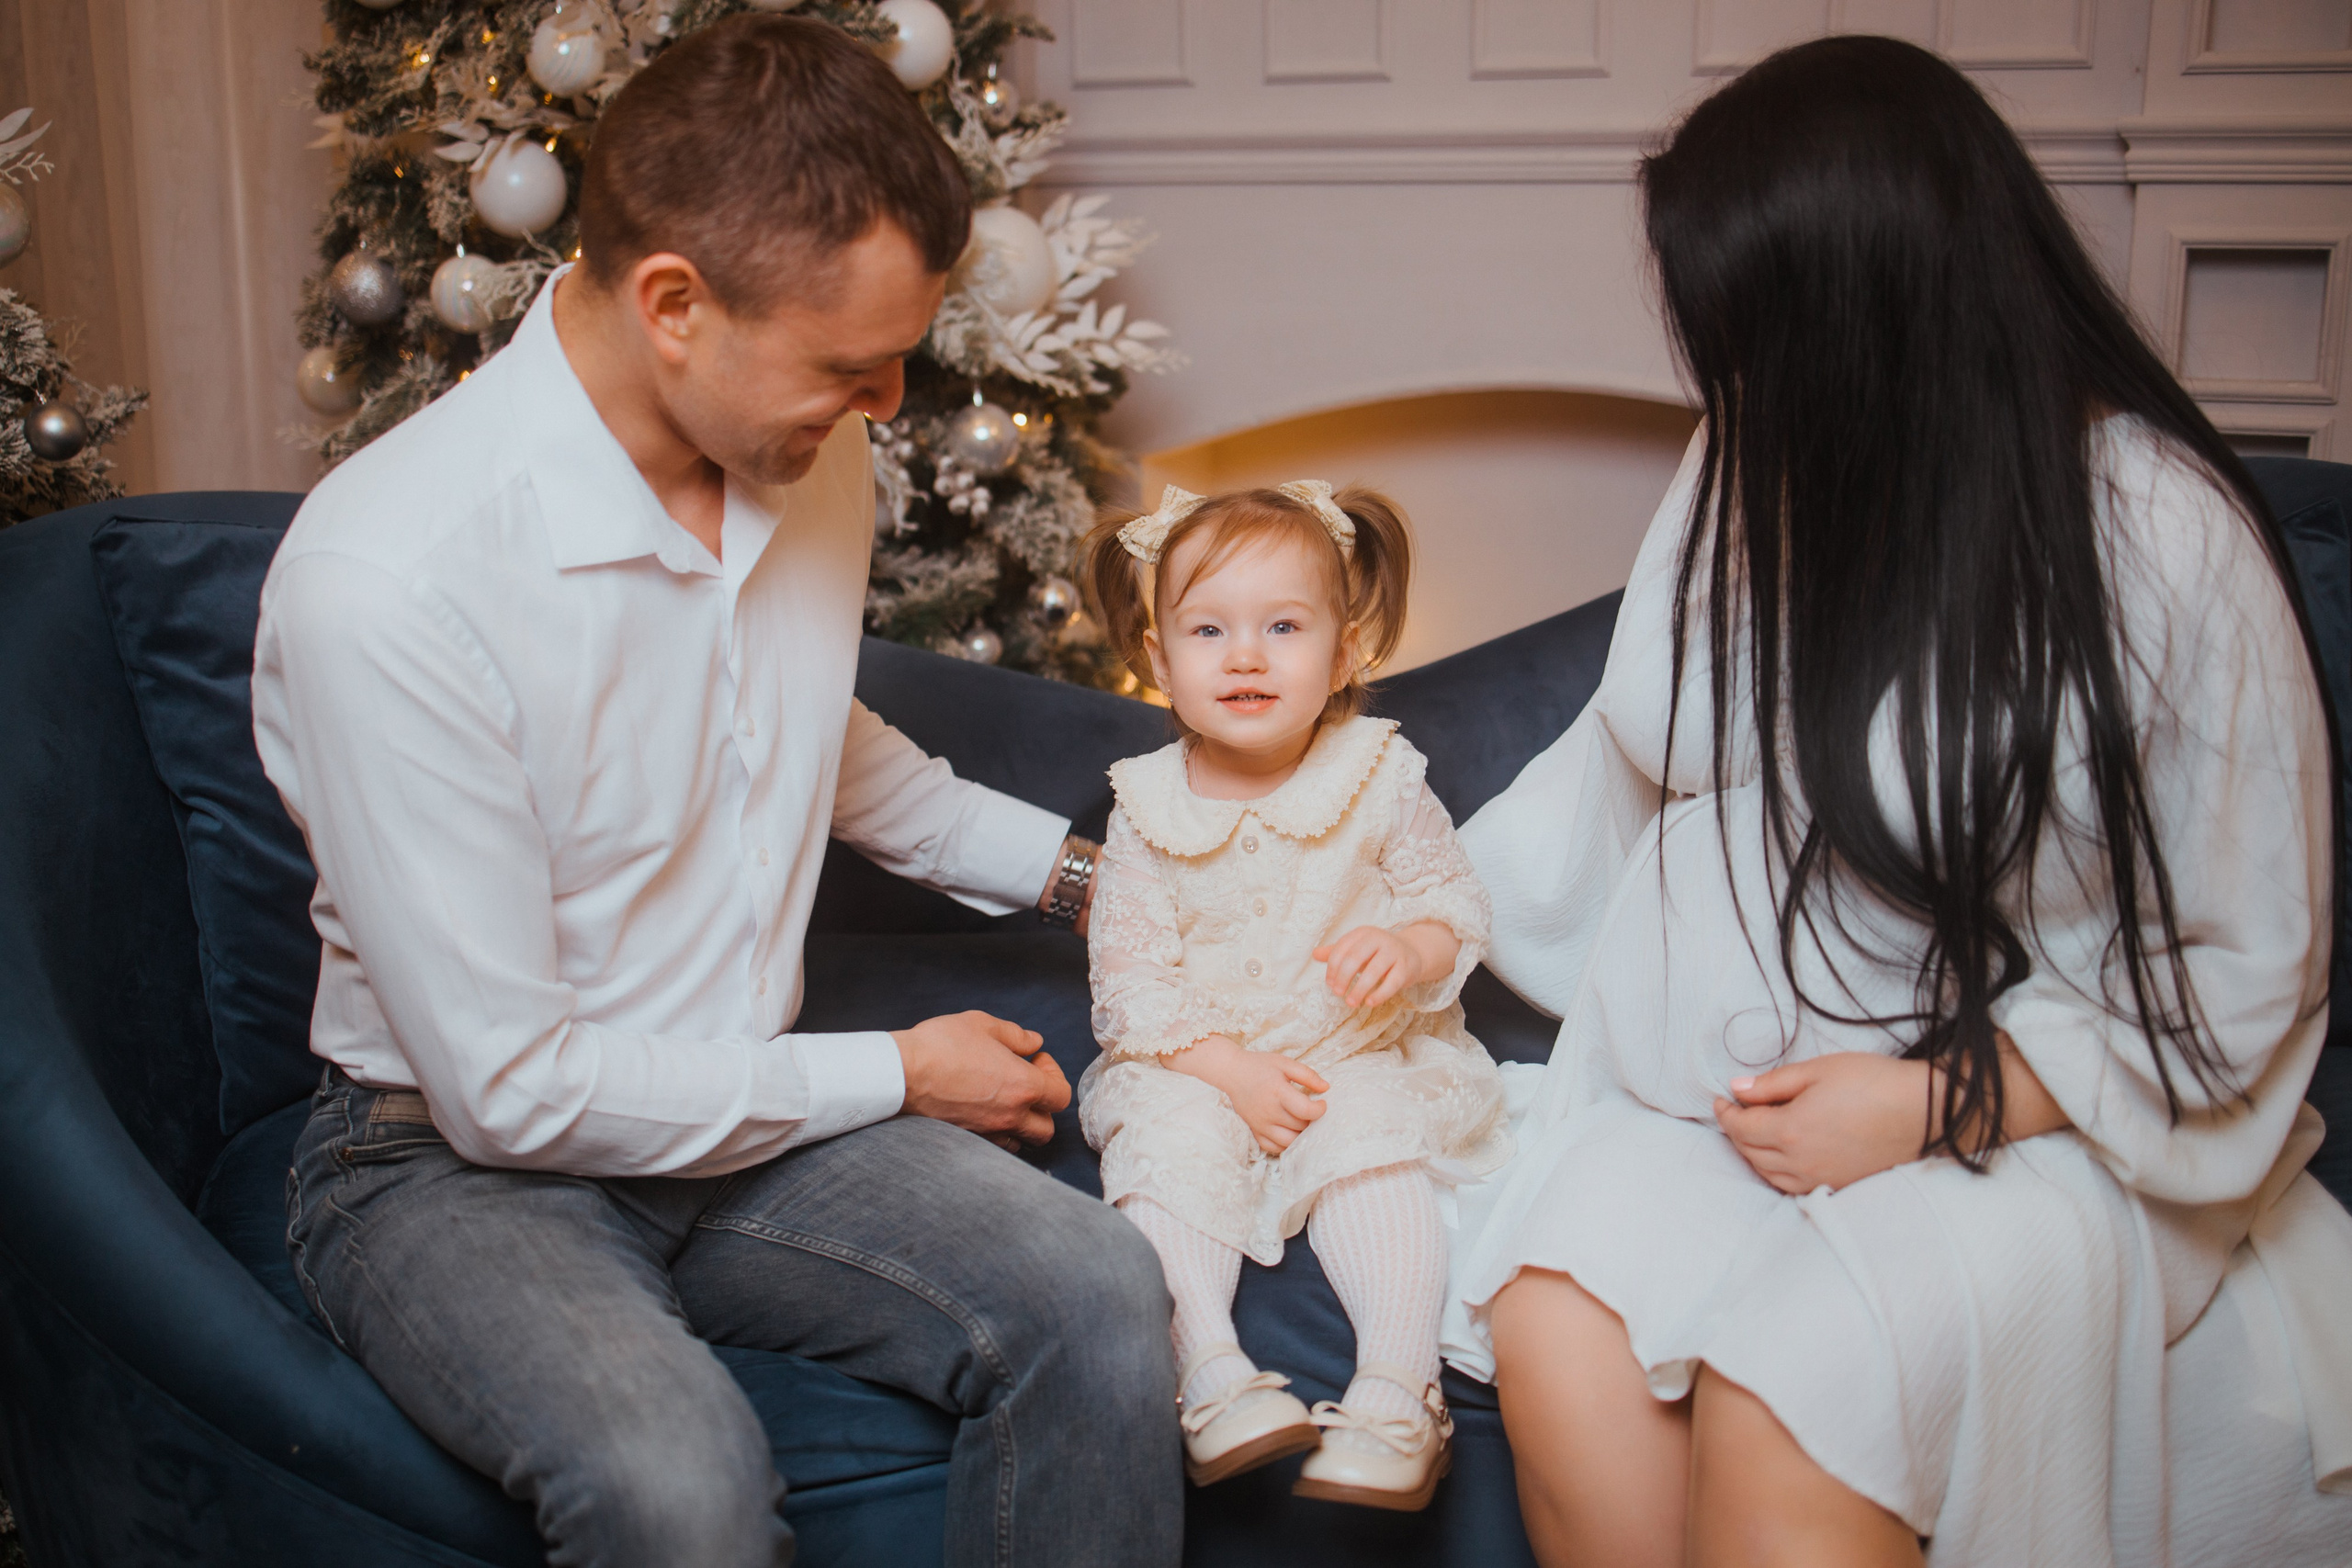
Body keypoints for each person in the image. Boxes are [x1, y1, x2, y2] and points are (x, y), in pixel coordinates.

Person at [250, 17, 1178, 1567]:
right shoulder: (389, 583)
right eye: (848, 365)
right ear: (674, 304)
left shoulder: (799, 448)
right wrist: (900, 1068)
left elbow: (800, 735)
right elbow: (514, 1091)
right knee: (677, 1486)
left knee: (1100, 1292)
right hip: (456, 1159)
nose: (888, 401)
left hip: (738, 1111)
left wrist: (1103, 879)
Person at [1450, 34, 2352, 1568]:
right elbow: (1630, 746)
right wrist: (1404, 908)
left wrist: (1941, 1100)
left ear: (1866, 309)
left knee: (1800, 1384)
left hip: (2036, 1122)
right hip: (1742, 1098)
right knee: (1556, 1308)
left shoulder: (2159, 536)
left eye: (1752, 333)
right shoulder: (1762, 458)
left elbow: (2242, 960)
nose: (1724, 381)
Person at [1078, 480, 1512, 1510]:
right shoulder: (1144, 804)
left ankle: (1399, 1392)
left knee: (1372, 1140)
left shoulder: (1379, 773)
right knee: (1162, 1144)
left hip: (1348, 1045)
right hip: (1200, 1056)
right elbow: (1129, 980)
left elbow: (1453, 901)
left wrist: (1407, 946)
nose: (1245, 656)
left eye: (1282, 627)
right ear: (1158, 662)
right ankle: (1209, 1375)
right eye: (1209, 630)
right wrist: (1228, 1072)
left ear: (1345, 651)